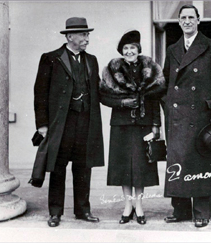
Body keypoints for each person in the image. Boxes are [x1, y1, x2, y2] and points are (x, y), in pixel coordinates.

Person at [162, 5, 211, 228]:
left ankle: (201, 212)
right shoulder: (172, 48)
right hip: (177, 116)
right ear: (179, 22)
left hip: (202, 115)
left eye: (191, 17)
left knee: (201, 162)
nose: (187, 21)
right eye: (183, 18)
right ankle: (180, 210)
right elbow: (165, 83)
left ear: (199, 20)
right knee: (178, 161)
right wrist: (166, 107)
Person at [33, 17, 104, 227]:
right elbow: (40, 94)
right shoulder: (50, 58)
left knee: (83, 168)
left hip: (85, 123)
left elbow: (98, 90)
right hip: (60, 123)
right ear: (69, 36)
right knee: (57, 167)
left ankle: (83, 210)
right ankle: (55, 212)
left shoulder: (91, 60)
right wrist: (43, 124)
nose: (87, 38)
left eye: (87, 34)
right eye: (83, 34)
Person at [99, 30, 166, 225]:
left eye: (133, 48)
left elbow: (155, 98)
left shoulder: (150, 68)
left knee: (141, 167)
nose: (129, 51)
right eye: (126, 48)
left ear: (138, 49)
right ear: (122, 51)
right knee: (123, 167)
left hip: (143, 125)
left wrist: (156, 126)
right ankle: (128, 206)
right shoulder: (112, 70)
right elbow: (104, 96)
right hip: (121, 125)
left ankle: (139, 205)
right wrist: (123, 103)